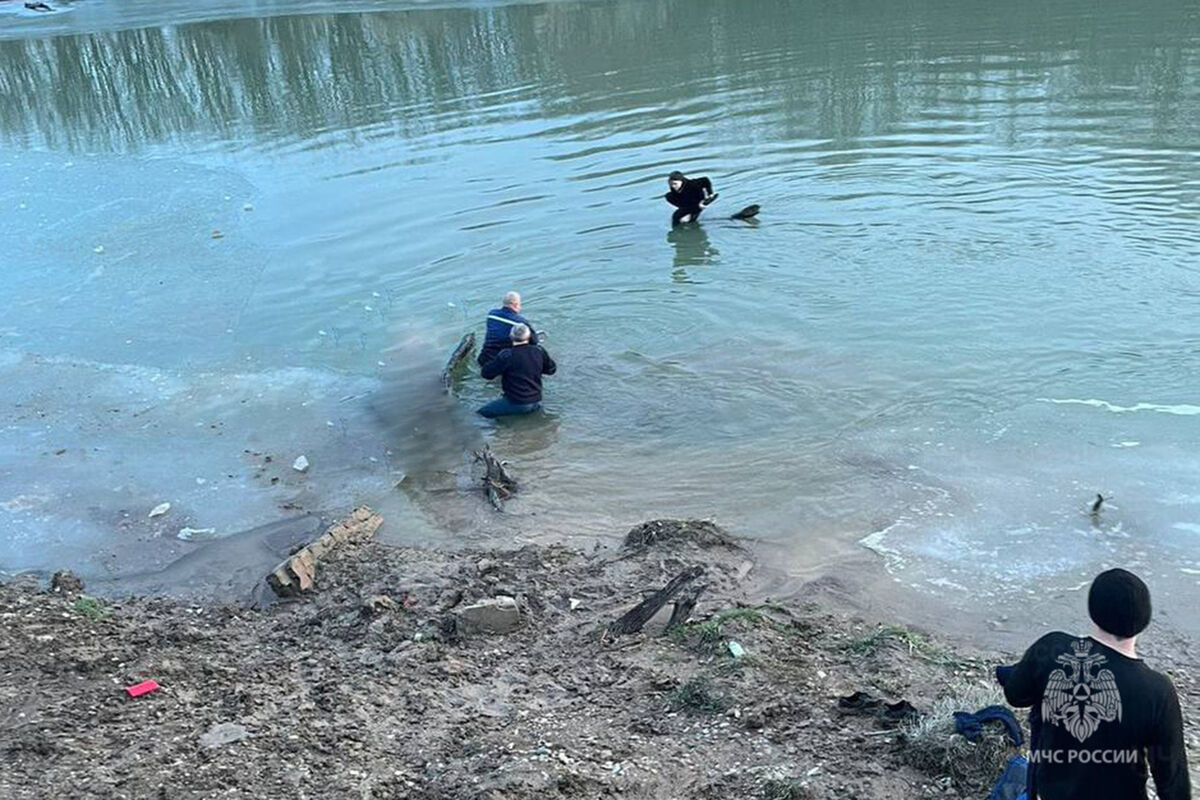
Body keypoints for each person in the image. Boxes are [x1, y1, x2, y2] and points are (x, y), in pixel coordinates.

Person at [996, 568, 1190, 800]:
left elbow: (1015, 694)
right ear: (1145, 620)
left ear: (1093, 610)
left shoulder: (1051, 649)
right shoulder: (1157, 691)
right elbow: (1172, 781)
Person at [477, 324, 556, 418]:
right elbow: (551, 370)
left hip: (516, 402)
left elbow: (486, 374)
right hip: (536, 401)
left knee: (480, 414)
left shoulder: (506, 355)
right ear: (529, 336)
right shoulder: (539, 351)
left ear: (511, 337)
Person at [477, 291, 538, 367]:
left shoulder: (491, 315)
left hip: (484, 358)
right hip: (503, 361)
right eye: (520, 304)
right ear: (515, 305)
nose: (520, 307)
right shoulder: (520, 322)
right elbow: (535, 342)